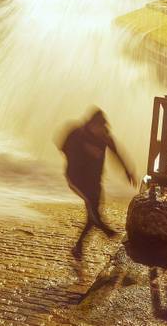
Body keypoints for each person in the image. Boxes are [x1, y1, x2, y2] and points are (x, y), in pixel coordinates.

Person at [58, 108, 135, 260]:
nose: (102, 131)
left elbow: (117, 154)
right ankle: (105, 229)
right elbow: (62, 147)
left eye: (103, 128)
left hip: (95, 180)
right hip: (76, 179)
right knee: (93, 210)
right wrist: (83, 152)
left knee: (93, 214)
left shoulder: (105, 137)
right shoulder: (77, 133)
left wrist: (128, 171)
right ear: (92, 125)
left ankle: (78, 247)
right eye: (99, 128)